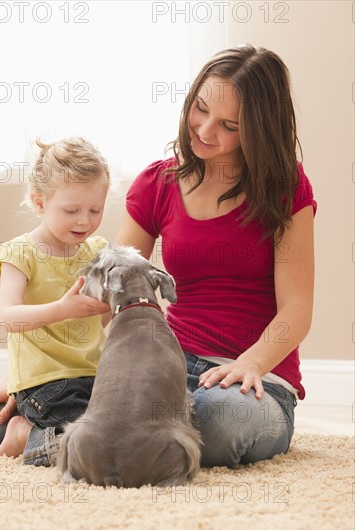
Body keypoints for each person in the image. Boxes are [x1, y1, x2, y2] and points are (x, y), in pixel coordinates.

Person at [115, 44, 317, 467]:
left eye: (229, 125)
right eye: (200, 109)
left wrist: (249, 364)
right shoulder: (156, 182)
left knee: (215, 418)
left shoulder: (286, 186)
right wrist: (32, 376)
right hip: (168, 363)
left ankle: (115, 438)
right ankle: (104, 433)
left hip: (254, 379)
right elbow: (115, 291)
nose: (205, 130)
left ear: (258, 130)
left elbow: (297, 309)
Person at [0, 136, 111, 467]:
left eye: (95, 210)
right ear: (39, 202)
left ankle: (40, 434)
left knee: (120, 421)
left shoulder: (96, 250)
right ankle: (27, 434)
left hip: (94, 374)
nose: (84, 221)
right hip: (46, 382)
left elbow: (93, 322)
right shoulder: (21, 253)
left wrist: (106, 308)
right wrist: (62, 309)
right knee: (90, 436)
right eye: (72, 210)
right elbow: (10, 316)